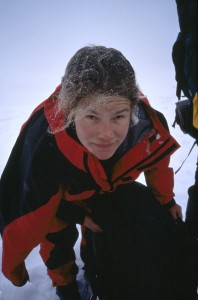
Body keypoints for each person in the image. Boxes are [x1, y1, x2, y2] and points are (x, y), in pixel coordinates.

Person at [0, 45, 183, 300]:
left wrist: (167, 202)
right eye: (92, 117)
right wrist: (15, 270)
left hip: (106, 185)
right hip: (61, 197)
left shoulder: (147, 126)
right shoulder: (44, 143)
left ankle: (94, 262)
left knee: (123, 214)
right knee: (58, 237)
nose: (106, 134)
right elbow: (30, 212)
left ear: (132, 110)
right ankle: (66, 286)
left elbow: (157, 164)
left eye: (118, 116)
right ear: (71, 113)